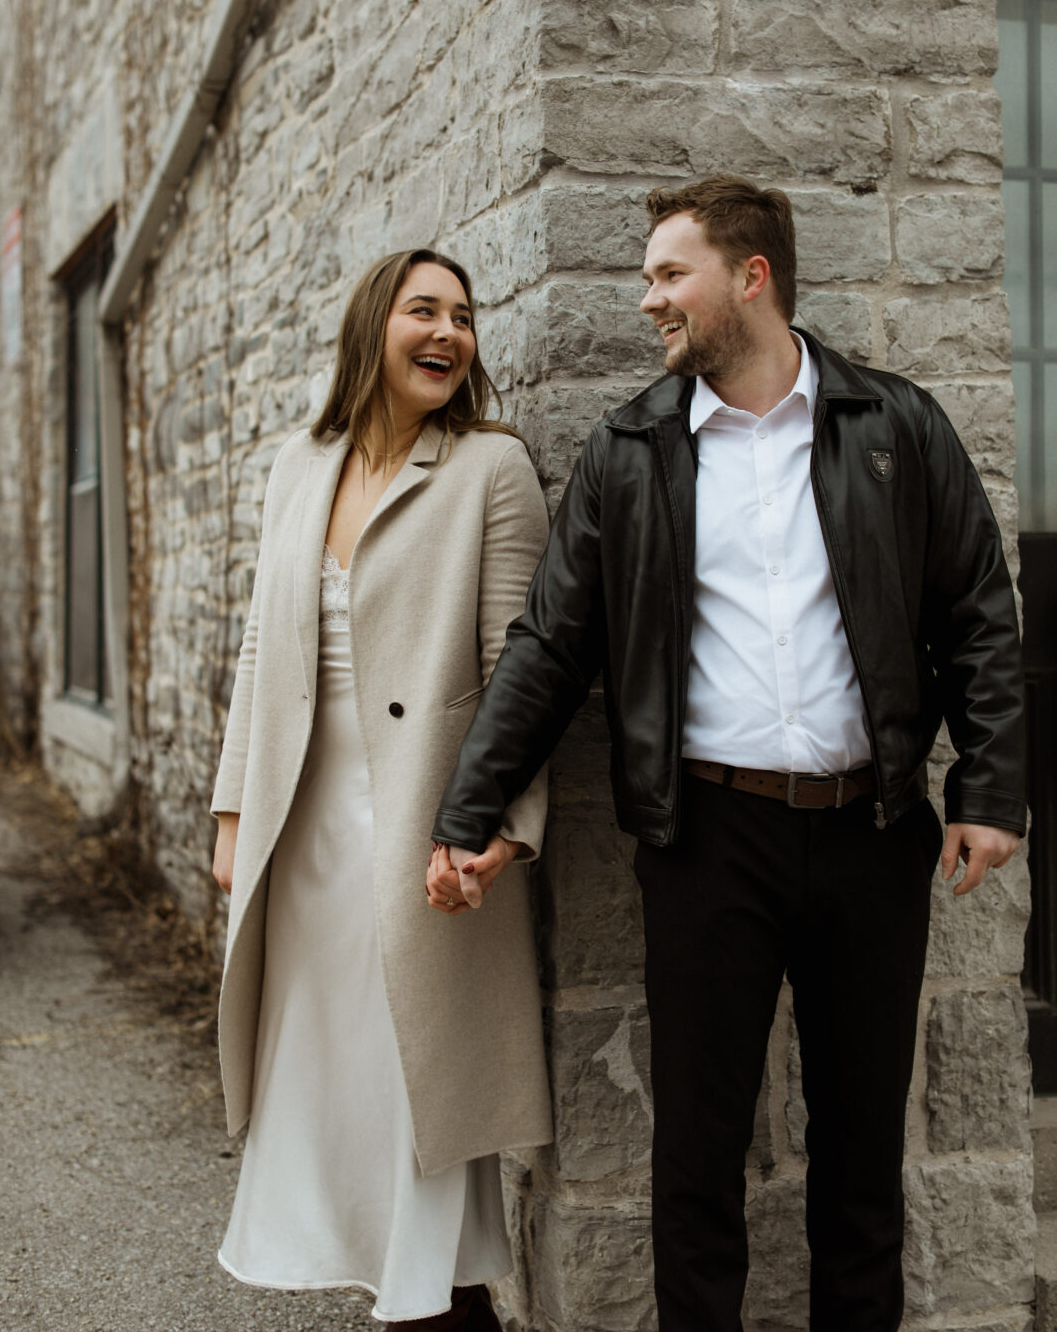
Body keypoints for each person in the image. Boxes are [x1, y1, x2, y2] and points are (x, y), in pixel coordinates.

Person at [426, 177, 1025, 1332]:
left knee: (860, 1148)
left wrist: (986, 786)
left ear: (749, 278)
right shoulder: (629, 451)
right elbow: (548, 647)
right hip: (706, 845)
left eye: (667, 274)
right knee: (695, 1153)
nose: (646, 298)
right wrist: (470, 810)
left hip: (872, 836)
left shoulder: (893, 426)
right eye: (647, 275)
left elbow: (979, 615)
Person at [210, 248, 552, 1330]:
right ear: (373, 326)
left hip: (420, 827)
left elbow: (519, 670)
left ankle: (436, 1307)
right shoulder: (297, 466)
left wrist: (498, 825)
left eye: (462, 315)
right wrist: (230, 811)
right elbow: (261, 644)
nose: (447, 332)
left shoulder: (488, 468)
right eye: (423, 310)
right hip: (301, 833)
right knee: (333, 1101)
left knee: (420, 1101)